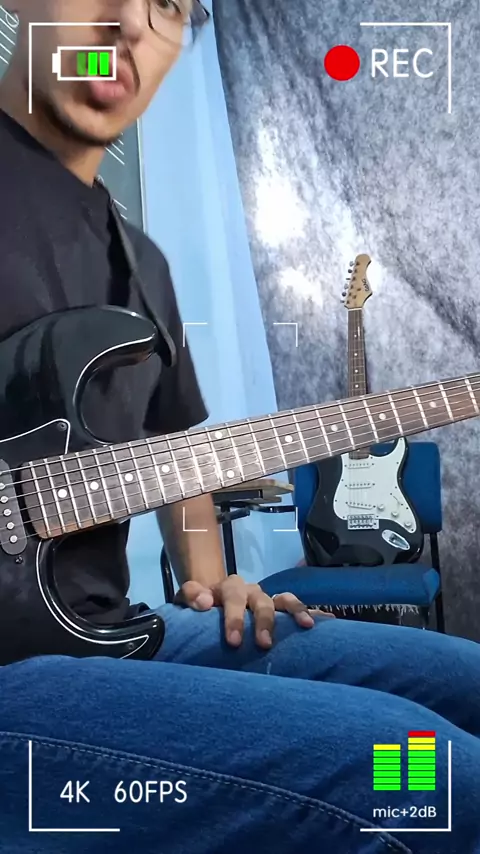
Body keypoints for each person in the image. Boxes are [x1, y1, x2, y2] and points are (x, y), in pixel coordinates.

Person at [0, 2, 479, 853]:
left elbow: (175, 454)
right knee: (432, 777)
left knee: (465, 680)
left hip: (114, 631)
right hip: (16, 672)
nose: (131, 23)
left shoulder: (142, 266)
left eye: (169, 6)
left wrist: (211, 578)